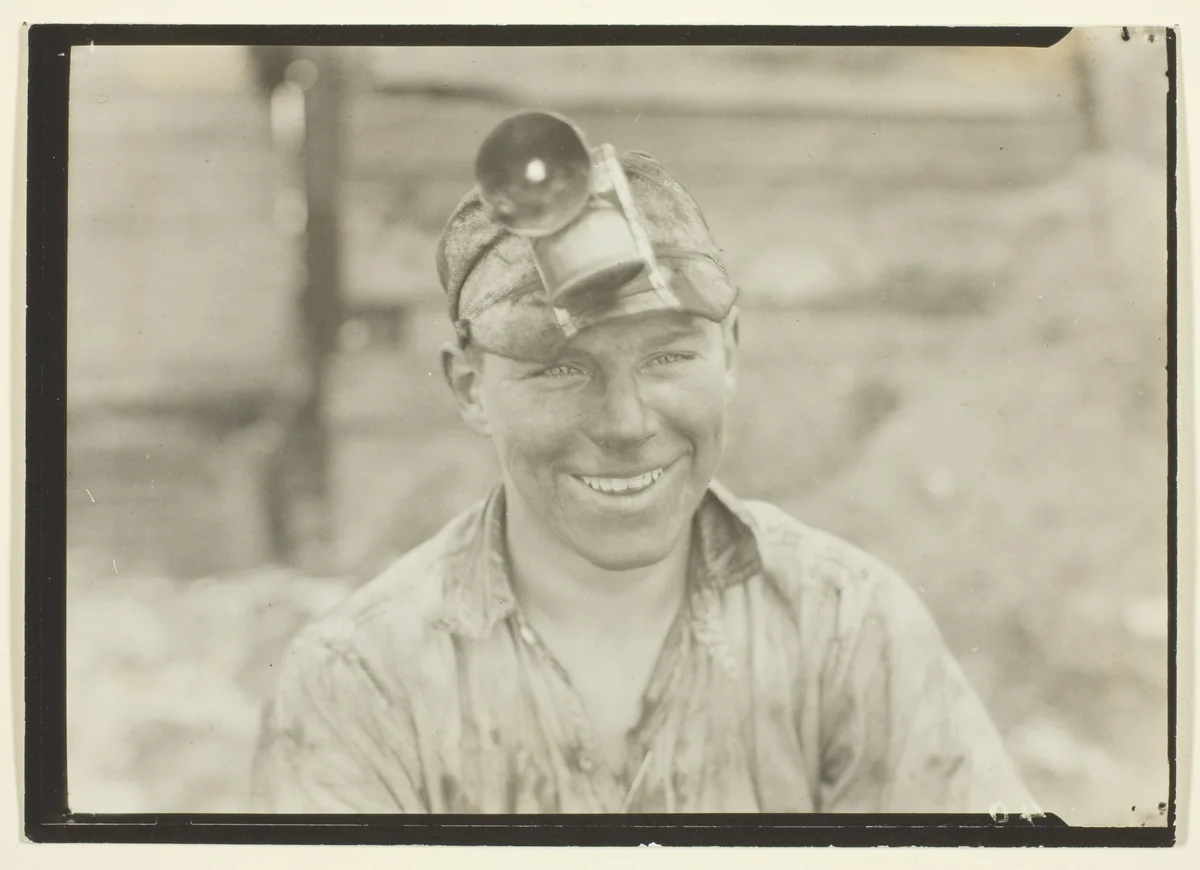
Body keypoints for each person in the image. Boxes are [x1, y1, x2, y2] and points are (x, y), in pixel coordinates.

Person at [249, 129, 1036, 815]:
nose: (626, 423)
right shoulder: (358, 683)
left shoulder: (845, 626)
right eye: (560, 370)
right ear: (469, 388)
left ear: (728, 350)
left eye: (667, 355)